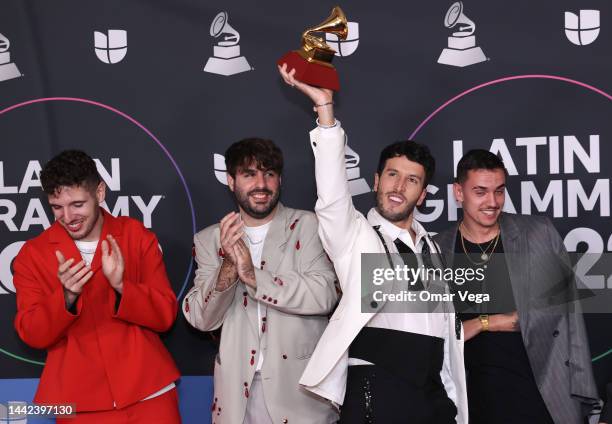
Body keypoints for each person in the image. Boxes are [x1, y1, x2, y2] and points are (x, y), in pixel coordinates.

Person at [278, 64, 467, 423]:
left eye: (411, 180)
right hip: (377, 390)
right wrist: (325, 113)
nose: (398, 187)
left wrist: (453, 402)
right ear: (376, 179)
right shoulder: (358, 236)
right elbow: (332, 197)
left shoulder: (436, 251)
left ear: (423, 194)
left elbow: (445, 335)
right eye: (392, 175)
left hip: (432, 395)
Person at [13, 150, 180, 423]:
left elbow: (165, 315)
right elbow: (32, 334)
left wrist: (122, 286)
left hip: (150, 392)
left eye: (77, 204)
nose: (67, 216)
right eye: (57, 207)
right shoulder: (33, 254)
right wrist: (65, 297)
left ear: (100, 192)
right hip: (79, 404)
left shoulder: (136, 235)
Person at [435, 149, 599, 423]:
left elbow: (568, 319)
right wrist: (492, 321)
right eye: (480, 191)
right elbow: (431, 333)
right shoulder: (438, 249)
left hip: (541, 399)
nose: (492, 201)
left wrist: (585, 397)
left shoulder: (538, 234)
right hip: (471, 405)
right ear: (458, 192)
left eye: (499, 191)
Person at [182, 137, 338, 424]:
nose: (261, 184)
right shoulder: (209, 239)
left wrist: (253, 277)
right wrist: (229, 264)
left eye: (269, 174)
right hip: (236, 399)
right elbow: (201, 319)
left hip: (301, 395)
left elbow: (325, 294)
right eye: (249, 174)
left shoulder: (309, 226)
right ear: (231, 181)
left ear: (280, 179)